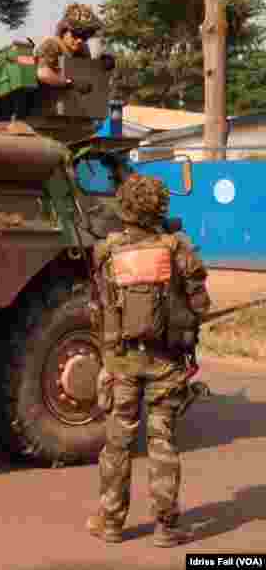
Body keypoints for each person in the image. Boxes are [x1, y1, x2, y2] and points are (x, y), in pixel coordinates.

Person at [87, 174, 212, 548]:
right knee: (162, 441)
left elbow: (100, 305)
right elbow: (200, 306)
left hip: (121, 361)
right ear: (160, 208)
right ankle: (165, 526)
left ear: (123, 205)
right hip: (166, 363)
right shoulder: (179, 250)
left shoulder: (106, 252)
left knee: (117, 442)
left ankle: (110, 521)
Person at [35, 3, 102, 89]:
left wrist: (102, 64)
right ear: (63, 31)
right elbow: (43, 74)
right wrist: (69, 83)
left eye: (85, 37)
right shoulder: (52, 45)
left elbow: (89, 70)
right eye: (76, 35)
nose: (80, 40)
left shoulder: (82, 49)